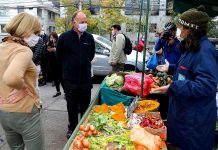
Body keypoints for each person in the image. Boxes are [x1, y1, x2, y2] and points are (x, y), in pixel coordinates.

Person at [153, 5, 218, 150]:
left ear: (190, 30)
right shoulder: (192, 47)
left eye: (181, 27)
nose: (179, 31)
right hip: (184, 114)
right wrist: (171, 68)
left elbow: (206, 85)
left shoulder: (205, 50)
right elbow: (188, 71)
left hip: (194, 122)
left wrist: (173, 87)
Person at [0, 12, 44, 150]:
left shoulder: (2, 47)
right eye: (35, 32)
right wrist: (23, 88)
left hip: (4, 111)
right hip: (25, 111)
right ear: (26, 30)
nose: (37, 36)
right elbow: (11, 77)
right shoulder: (23, 51)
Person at [56, 11, 95, 139]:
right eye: (82, 22)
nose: (85, 24)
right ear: (74, 22)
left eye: (85, 21)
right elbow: (59, 57)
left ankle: (84, 127)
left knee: (85, 105)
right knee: (71, 106)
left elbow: (91, 55)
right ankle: (72, 127)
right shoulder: (64, 37)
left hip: (85, 80)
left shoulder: (89, 38)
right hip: (70, 80)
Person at [47, 32, 63, 98]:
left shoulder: (59, 43)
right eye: (51, 37)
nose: (52, 38)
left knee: (61, 78)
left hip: (58, 63)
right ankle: (58, 91)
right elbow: (48, 50)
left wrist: (55, 49)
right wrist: (49, 46)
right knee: (55, 78)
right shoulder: (49, 43)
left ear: (56, 37)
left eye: (53, 37)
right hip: (51, 62)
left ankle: (66, 92)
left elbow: (61, 50)